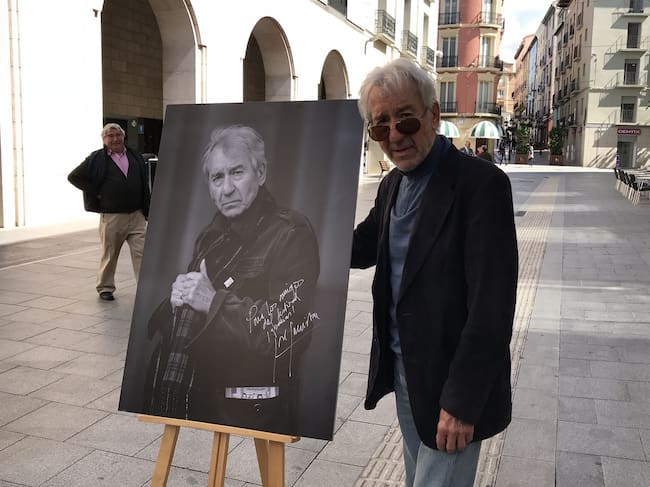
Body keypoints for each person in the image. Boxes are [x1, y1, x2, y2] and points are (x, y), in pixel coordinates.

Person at [351, 58, 518, 487]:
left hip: (451, 383)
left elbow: (492, 309)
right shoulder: (392, 185)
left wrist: (462, 401)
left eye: (405, 119)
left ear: (433, 115)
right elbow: (363, 245)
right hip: (406, 371)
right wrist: (299, 231)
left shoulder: (481, 185)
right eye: (380, 126)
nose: (394, 136)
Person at [144, 125, 320, 434]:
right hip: (197, 396)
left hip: (251, 407)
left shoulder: (291, 233)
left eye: (237, 172)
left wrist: (213, 301)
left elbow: (288, 334)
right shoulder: (209, 237)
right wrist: (177, 302)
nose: (226, 189)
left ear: (260, 173)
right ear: (210, 188)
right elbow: (193, 315)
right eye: (217, 177)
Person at [68, 123, 151, 301]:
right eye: (110, 136)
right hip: (112, 216)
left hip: (136, 215)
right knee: (110, 254)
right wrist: (96, 191)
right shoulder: (97, 158)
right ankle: (105, 287)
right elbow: (74, 176)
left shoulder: (134, 155)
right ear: (104, 139)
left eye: (118, 135)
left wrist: (147, 208)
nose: (115, 139)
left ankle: (145, 288)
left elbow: (144, 183)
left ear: (123, 136)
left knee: (143, 253)